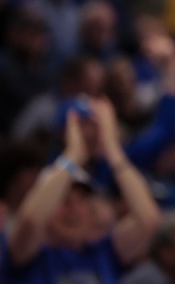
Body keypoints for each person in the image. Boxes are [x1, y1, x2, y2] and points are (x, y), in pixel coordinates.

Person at [3, 98, 161, 283]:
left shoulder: (104, 253)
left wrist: (112, 149)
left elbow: (148, 219)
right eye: (65, 201)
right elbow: (31, 220)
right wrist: (74, 154)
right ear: (46, 209)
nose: (73, 210)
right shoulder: (29, 255)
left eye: (81, 201)